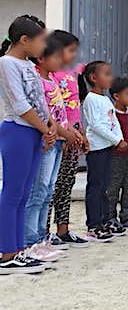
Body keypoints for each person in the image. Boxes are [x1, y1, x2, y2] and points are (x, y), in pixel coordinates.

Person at [0, 15, 56, 274]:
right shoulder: (7, 63)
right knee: (12, 193)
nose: (44, 46)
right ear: (24, 40)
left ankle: (18, 248)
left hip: (35, 132)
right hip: (19, 132)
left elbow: (40, 100)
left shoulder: (28, 65)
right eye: (41, 41)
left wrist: (51, 123)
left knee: (24, 194)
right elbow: (21, 104)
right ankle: (7, 251)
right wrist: (45, 128)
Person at [24, 34, 83, 262]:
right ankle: (31, 241)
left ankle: (42, 239)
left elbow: (64, 113)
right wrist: (61, 132)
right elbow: (44, 115)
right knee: (39, 192)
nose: (60, 61)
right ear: (41, 58)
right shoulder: (39, 81)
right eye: (56, 56)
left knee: (48, 190)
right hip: (49, 139)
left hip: (60, 141)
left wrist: (70, 133)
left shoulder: (53, 81)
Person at [48, 29, 90, 249]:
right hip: (61, 137)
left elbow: (75, 107)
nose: (74, 55)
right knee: (51, 186)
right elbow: (56, 110)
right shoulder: (51, 75)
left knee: (67, 184)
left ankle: (63, 229)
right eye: (70, 50)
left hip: (74, 135)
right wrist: (63, 138)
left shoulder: (72, 75)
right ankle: (44, 233)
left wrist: (81, 133)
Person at [80, 61, 126, 242]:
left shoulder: (106, 99)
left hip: (108, 147)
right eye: (106, 74)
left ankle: (105, 220)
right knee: (96, 187)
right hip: (97, 149)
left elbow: (114, 122)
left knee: (104, 186)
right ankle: (93, 225)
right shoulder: (91, 99)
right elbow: (96, 125)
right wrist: (116, 140)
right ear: (93, 78)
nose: (111, 78)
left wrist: (119, 139)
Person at [105, 77, 128, 230]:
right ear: (116, 96)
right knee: (113, 188)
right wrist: (125, 142)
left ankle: (126, 216)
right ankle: (110, 217)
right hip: (115, 157)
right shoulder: (111, 114)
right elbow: (110, 134)